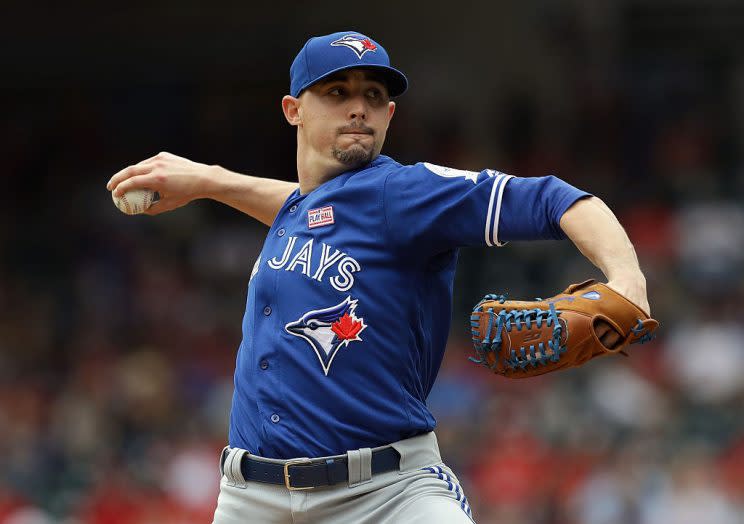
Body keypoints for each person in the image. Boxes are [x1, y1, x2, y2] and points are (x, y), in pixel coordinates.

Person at [107, 30, 650, 524]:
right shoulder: (307, 208)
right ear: (294, 110)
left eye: (372, 96)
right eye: (337, 93)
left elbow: (557, 199)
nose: (358, 108)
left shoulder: (403, 194)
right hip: (252, 500)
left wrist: (627, 278)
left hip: (385, 496)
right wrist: (209, 180)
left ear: (390, 114)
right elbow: (307, 207)